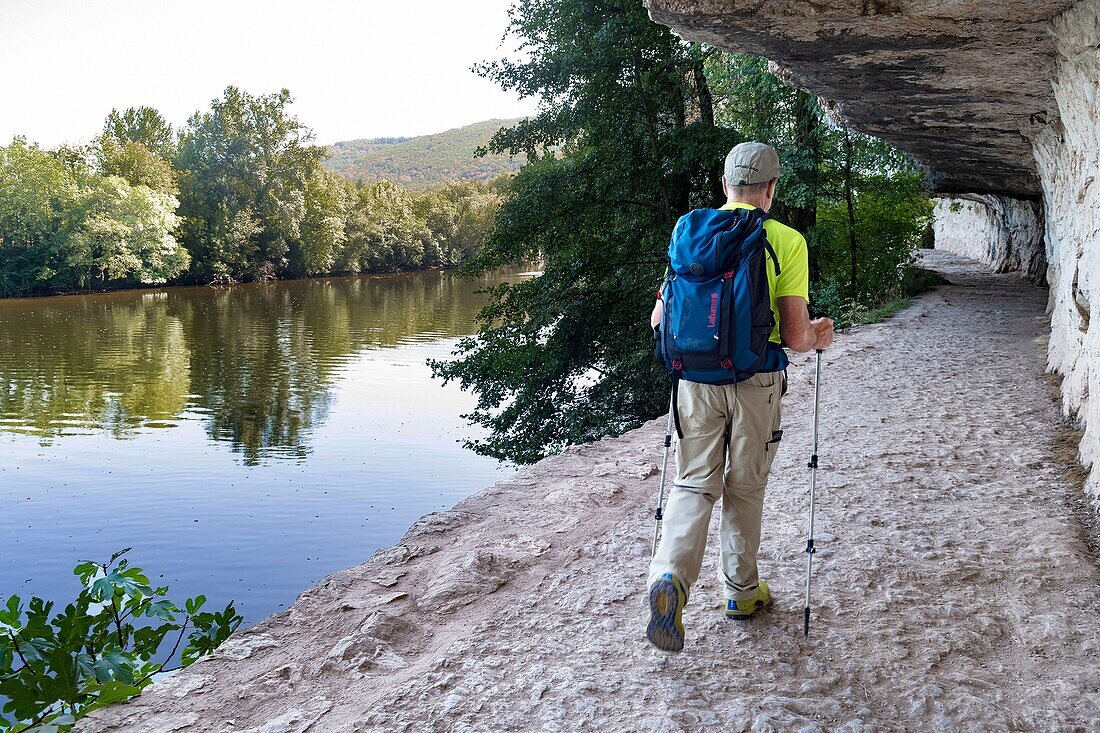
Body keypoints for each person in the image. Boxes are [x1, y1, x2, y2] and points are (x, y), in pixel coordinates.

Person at [646, 141, 834, 652]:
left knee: (692, 485)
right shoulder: (786, 240)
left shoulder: (689, 231)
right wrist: (822, 332)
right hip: (756, 384)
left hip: (694, 383)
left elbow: (661, 319)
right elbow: (796, 337)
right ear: (771, 189)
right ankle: (742, 593)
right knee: (745, 488)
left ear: (725, 185)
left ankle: (669, 580)